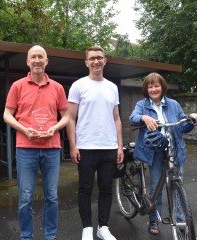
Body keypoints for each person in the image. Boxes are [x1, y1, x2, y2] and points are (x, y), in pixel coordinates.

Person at [3, 45, 69, 240]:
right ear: (28, 62)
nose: (37, 60)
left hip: (51, 148)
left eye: (41, 57)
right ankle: (26, 236)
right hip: (26, 148)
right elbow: (7, 115)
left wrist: (55, 128)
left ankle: (50, 236)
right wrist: (24, 130)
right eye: (34, 57)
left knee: (53, 197)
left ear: (46, 61)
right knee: (25, 198)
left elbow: (66, 116)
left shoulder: (57, 87)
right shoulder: (17, 86)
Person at [129, 72, 197, 237]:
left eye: (157, 85)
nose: (154, 89)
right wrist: (144, 117)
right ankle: (153, 219)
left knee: (177, 186)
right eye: (150, 86)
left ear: (163, 87)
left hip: (174, 149)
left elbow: (182, 127)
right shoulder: (142, 104)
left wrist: (191, 120)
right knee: (156, 187)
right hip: (154, 150)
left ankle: (182, 222)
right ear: (146, 89)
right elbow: (133, 118)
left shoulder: (173, 104)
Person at [67, 46, 124, 240]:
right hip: (85, 147)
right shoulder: (78, 86)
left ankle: (103, 227)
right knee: (85, 188)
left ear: (105, 60)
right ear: (86, 62)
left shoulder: (112, 87)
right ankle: (87, 228)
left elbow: (116, 118)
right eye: (92, 59)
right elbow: (70, 118)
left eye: (99, 58)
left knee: (106, 188)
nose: (96, 62)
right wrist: (73, 146)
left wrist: (119, 145)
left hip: (108, 147)